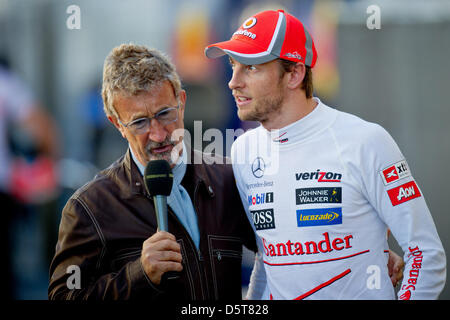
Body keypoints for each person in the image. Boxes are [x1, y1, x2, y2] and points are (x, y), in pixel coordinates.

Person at [205, 9, 446, 299]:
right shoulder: (243, 149)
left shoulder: (366, 141)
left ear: (295, 73)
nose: (233, 82)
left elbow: (426, 254)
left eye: (251, 68)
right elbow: (267, 258)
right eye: (233, 66)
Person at [48, 44, 257, 300]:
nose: (158, 134)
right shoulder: (90, 208)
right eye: (139, 122)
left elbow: (281, 254)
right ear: (117, 125)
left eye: (164, 114)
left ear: (181, 102)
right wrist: (139, 274)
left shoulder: (229, 178)